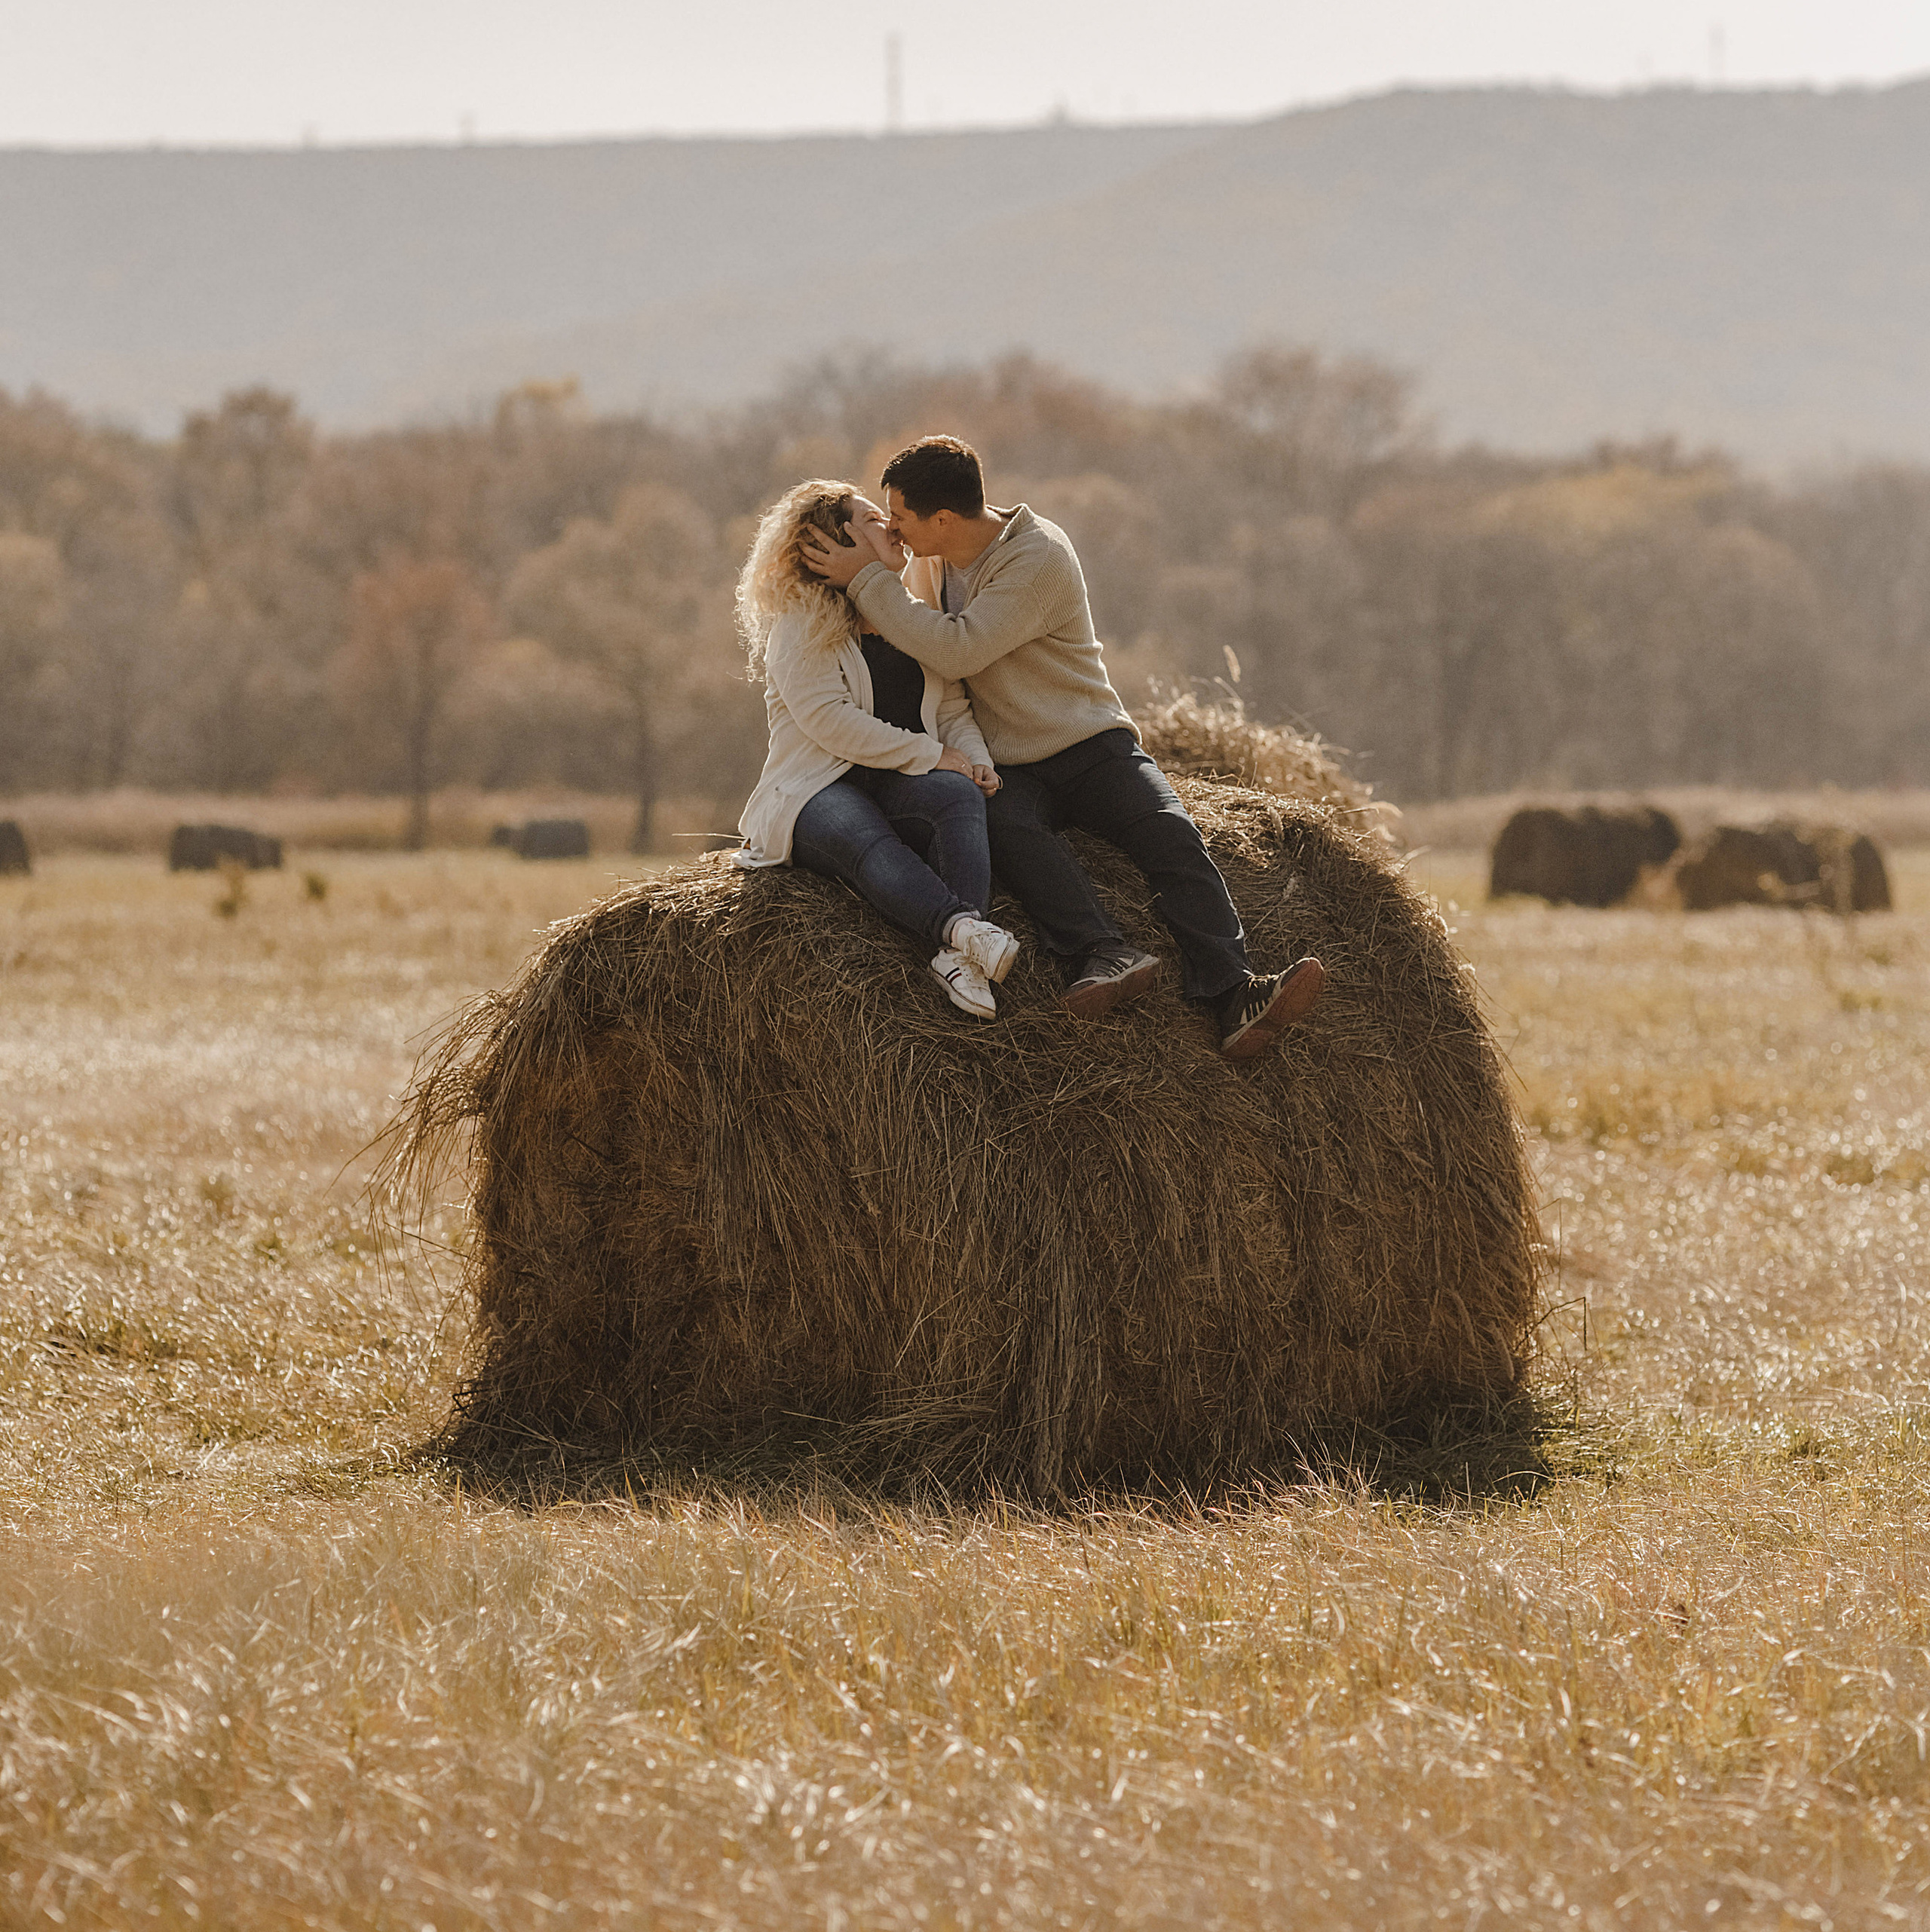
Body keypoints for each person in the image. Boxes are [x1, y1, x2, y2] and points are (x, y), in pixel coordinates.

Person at [801, 435, 1324, 1061]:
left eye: (902, 517)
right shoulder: (930, 560)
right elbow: (911, 625)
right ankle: (1104, 953)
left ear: (943, 519)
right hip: (1015, 762)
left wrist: (863, 579)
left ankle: (1235, 993)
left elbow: (957, 648)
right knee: (1011, 833)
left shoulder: (1039, 556)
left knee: (1170, 835)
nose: (894, 528)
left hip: (1088, 740)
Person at [734, 478, 1022, 1018]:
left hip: (895, 779)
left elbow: (953, 709)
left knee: (959, 796)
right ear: (835, 540)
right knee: (859, 831)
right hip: (816, 786)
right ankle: (963, 930)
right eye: (871, 519)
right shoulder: (800, 619)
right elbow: (829, 720)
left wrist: (973, 760)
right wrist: (932, 754)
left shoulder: (905, 612)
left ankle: (961, 964)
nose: (891, 525)